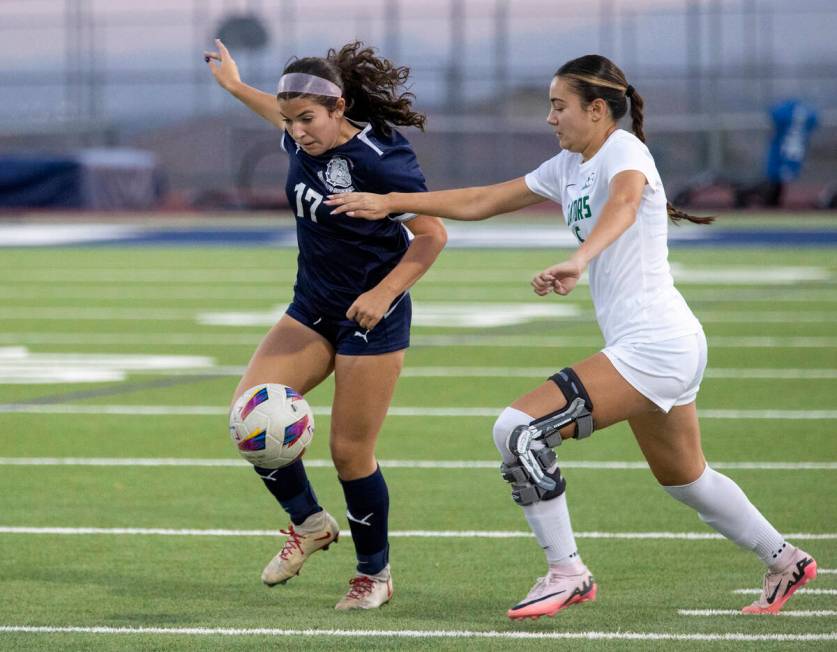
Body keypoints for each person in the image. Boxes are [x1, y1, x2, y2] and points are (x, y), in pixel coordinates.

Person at [326, 54, 817, 619]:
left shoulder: (625, 151)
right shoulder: (568, 164)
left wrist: (579, 258)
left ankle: (567, 573)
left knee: (518, 431)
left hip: (655, 345)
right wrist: (393, 202)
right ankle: (786, 560)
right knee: (687, 479)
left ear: (598, 110)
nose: (551, 118)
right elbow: (483, 200)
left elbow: (626, 205)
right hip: (664, 344)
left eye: (559, 106)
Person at [205, 39, 447, 610]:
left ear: (339, 109)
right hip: (312, 306)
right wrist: (237, 86)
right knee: (249, 417)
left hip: (373, 316)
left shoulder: (382, 158)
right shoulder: (297, 129)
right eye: (288, 122)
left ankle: (374, 575)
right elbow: (278, 109)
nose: (295, 132)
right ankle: (310, 523)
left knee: (349, 453)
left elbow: (433, 235)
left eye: (307, 119)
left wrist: (384, 293)